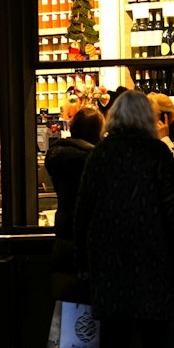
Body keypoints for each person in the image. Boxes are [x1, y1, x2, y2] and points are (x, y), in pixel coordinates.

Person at [74, 88, 174, 348]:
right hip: (153, 256)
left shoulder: (100, 155)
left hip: (109, 258)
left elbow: (83, 211)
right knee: (155, 338)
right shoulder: (158, 155)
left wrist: (83, 258)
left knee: (112, 338)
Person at [44, 107, 104, 301]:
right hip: (89, 240)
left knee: (69, 304)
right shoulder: (93, 161)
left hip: (64, 234)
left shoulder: (58, 156)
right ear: (97, 132)